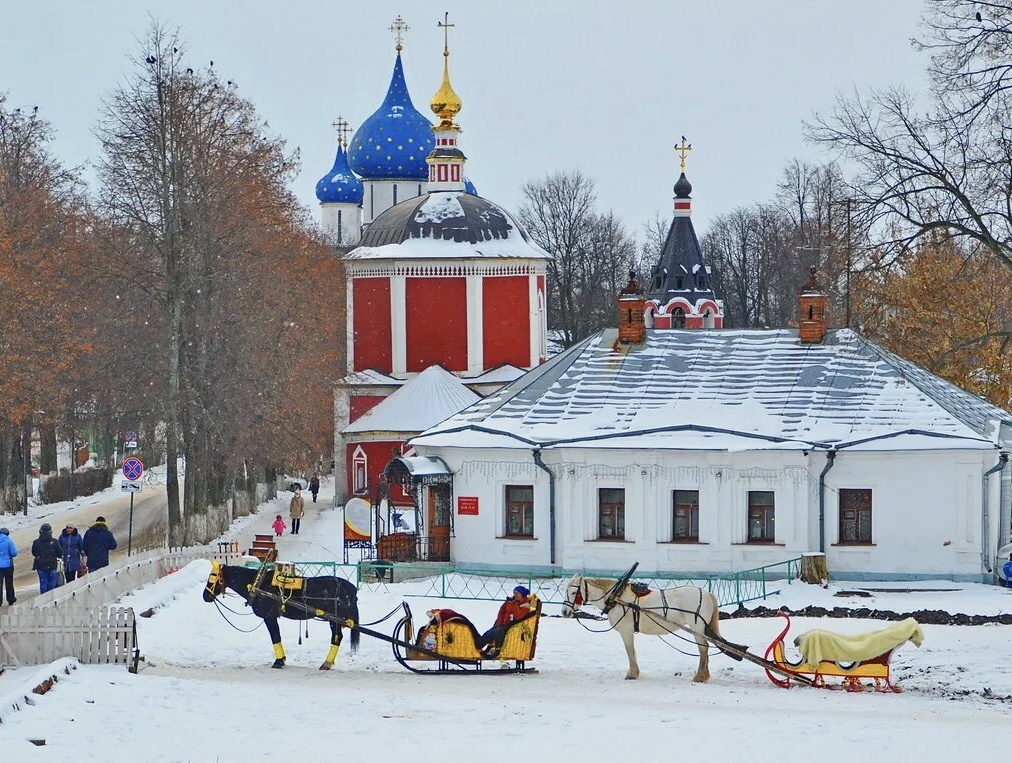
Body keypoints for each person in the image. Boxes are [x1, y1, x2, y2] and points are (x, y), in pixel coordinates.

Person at [480, 585, 535, 657]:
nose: (515, 594)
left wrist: (513, 604)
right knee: (491, 631)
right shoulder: (510, 601)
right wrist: (499, 622)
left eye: (517, 593)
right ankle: (483, 646)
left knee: (498, 631)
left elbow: (518, 616)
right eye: (514, 592)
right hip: (503, 622)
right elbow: (501, 610)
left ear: (522, 595)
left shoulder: (525, 604)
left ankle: (497, 651)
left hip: (514, 624)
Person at [31, 523, 63, 594]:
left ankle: (43, 600)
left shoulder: (36, 542)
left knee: (43, 584)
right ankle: (50, 599)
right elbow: (60, 554)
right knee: (51, 584)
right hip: (52, 565)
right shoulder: (54, 542)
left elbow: (34, 553)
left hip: (40, 566)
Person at [0, 527, 17, 605]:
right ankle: (11, 599)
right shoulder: (9, 541)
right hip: (8, 565)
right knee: (9, 583)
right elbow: (14, 553)